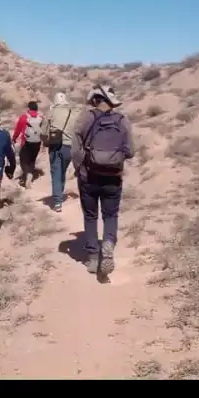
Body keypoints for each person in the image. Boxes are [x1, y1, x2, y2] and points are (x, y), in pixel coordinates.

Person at [71, 85, 134, 276]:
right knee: (110, 215)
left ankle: (92, 257)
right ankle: (108, 243)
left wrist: (79, 167)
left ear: (95, 100)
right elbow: (131, 151)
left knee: (90, 216)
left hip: (88, 176)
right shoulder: (122, 120)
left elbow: (75, 148)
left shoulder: (85, 118)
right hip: (113, 178)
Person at [40, 92, 78, 212]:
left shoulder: (51, 112)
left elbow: (43, 132)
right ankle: (59, 194)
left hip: (55, 146)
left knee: (56, 173)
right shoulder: (73, 113)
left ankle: (57, 201)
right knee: (62, 171)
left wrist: (45, 141)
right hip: (69, 147)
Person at [12, 101, 44, 188]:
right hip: (37, 143)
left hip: (26, 142)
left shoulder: (24, 118)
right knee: (32, 159)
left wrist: (14, 138)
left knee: (23, 159)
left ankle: (28, 174)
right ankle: (30, 172)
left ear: (28, 109)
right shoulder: (41, 118)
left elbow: (17, 130)